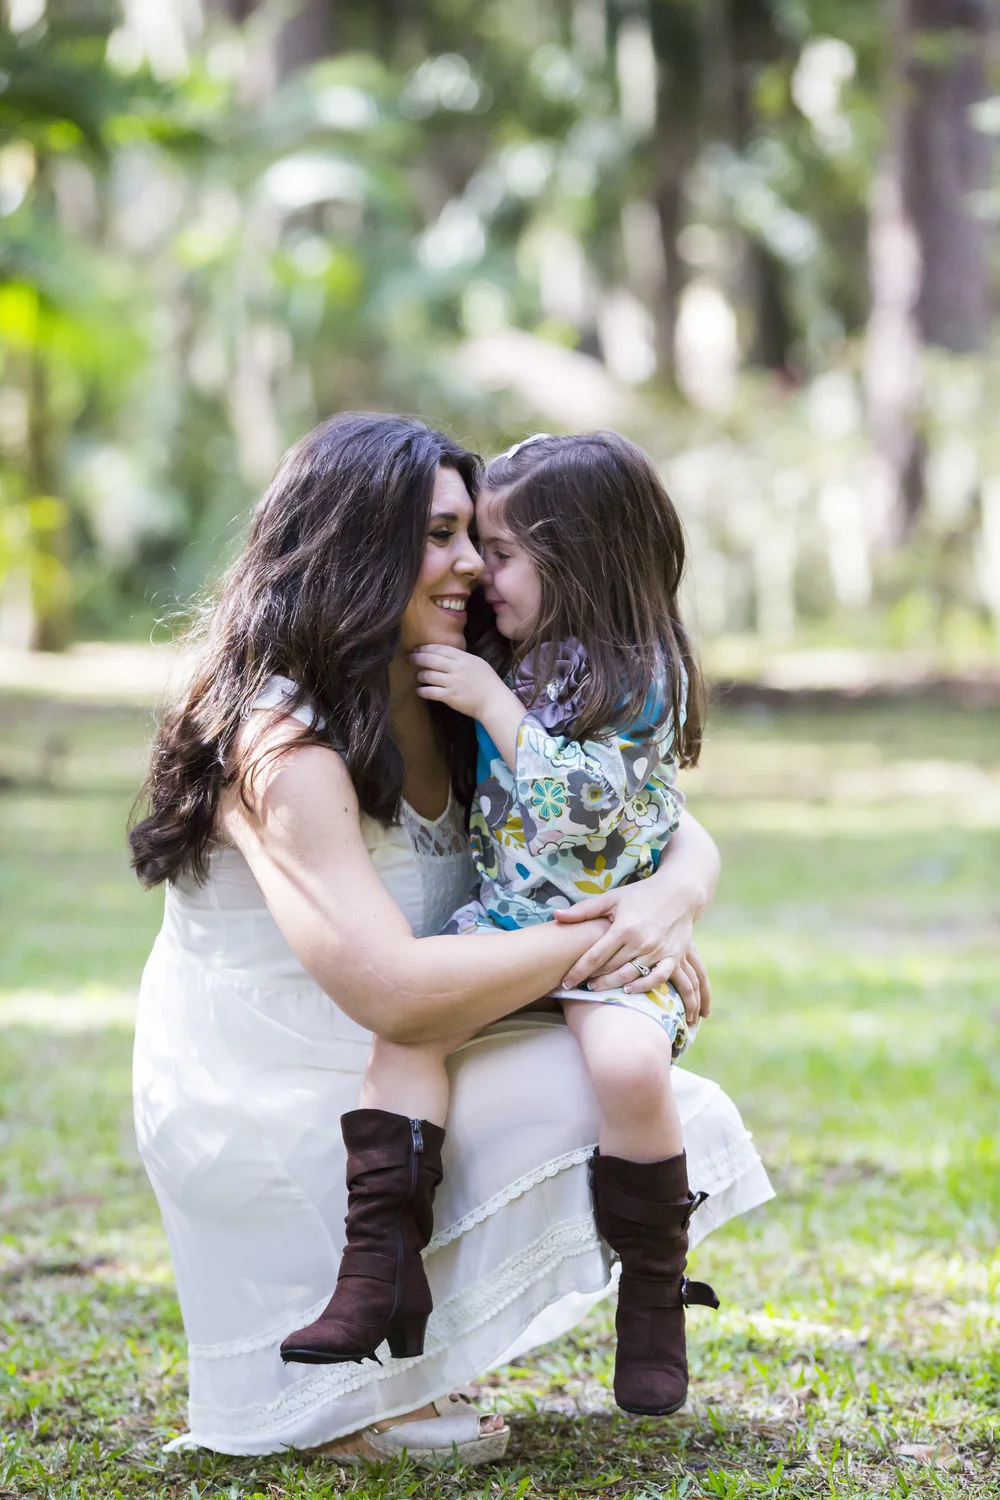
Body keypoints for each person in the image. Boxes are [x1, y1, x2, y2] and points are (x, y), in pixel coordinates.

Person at [130, 412, 773, 1463]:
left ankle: (415, 1340)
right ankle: (362, 1327)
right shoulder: (279, 737)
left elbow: (649, 811)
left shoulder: (465, 685)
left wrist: (674, 897)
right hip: (275, 1086)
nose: (472, 564)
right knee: (615, 1084)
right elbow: (393, 993)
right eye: (438, 536)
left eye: (479, 537)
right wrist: (602, 934)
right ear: (350, 547)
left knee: (646, 1085)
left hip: (407, 1057)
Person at [282, 431, 721, 1420]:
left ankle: (651, 1294)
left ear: (580, 563)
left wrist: (672, 892)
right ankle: (378, 1270)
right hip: (510, 926)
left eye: (504, 553)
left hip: (597, 944)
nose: (483, 573)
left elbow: (599, 806)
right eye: (468, 543)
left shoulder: (636, 676)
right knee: (407, 1036)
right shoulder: (512, 655)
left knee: (629, 1069)